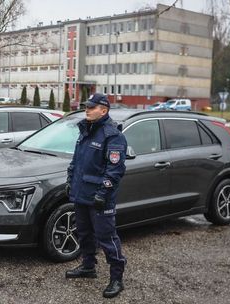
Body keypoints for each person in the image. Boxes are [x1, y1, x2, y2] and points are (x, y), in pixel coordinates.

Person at [65, 93, 128, 299]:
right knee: (83, 233)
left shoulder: (113, 135)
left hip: (100, 197)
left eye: (92, 107)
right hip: (82, 194)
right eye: (87, 106)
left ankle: (117, 278)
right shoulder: (85, 131)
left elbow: (115, 170)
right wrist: (70, 182)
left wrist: (104, 193)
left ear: (104, 110)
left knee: (107, 237)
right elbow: (77, 162)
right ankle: (88, 266)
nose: (87, 109)